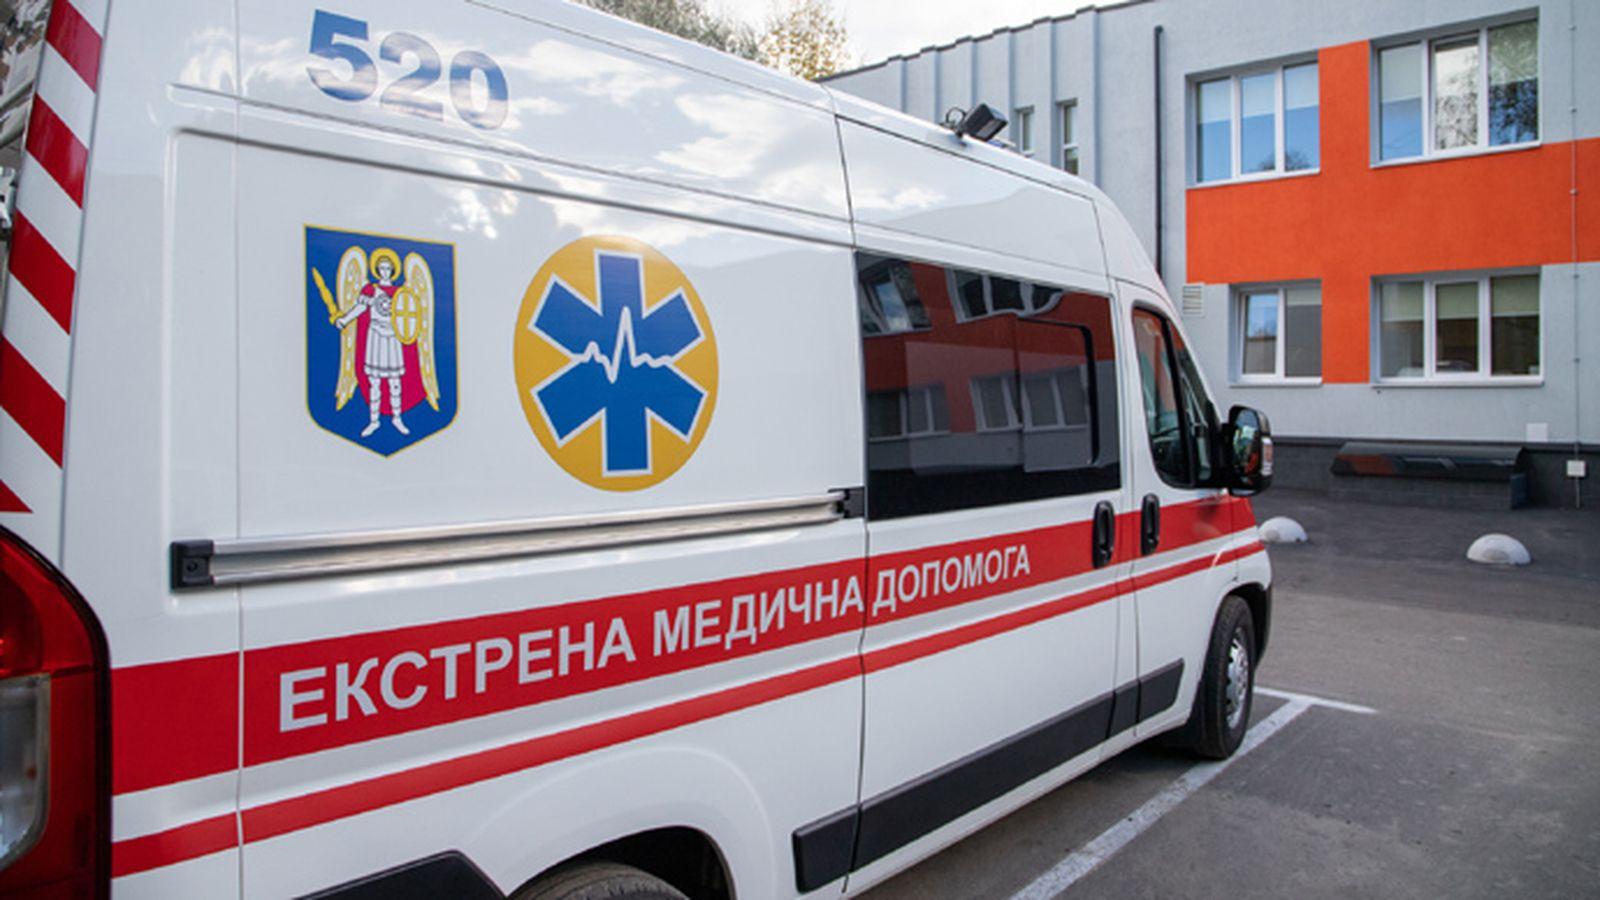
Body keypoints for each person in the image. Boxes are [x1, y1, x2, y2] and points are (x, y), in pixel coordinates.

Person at [333, 248, 410, 437]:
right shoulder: (370, 290)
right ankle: (374, 421)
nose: (385, 271)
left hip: (393, 337)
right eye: (381, 268)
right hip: (375, 336)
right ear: (377, 270)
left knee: (395, 382)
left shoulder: (400, 293)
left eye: (388, 268)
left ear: (393, 270)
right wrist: (345, 320)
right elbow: (361, 307)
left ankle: (397, 418)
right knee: (374, 382)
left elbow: (409, 317)